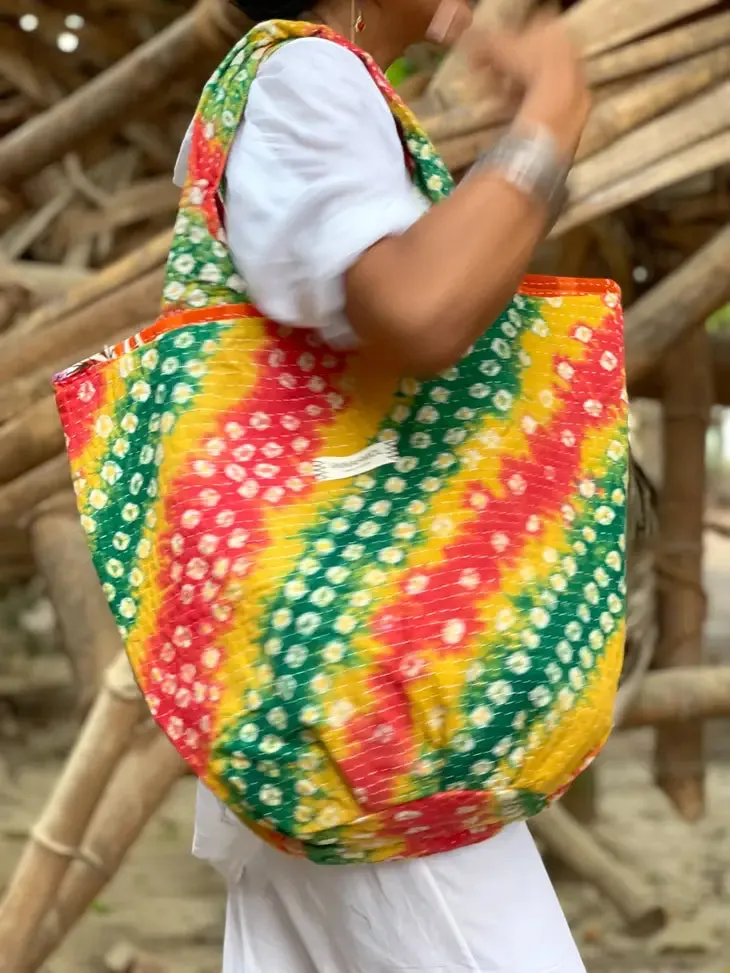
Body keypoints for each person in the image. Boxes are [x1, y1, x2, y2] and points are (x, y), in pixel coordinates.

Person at [170, 1, 595, 971]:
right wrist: (551, 116)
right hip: (365, 696)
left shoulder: (315, 88)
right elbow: (416, 305)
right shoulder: (305, 79)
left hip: (311, 678)